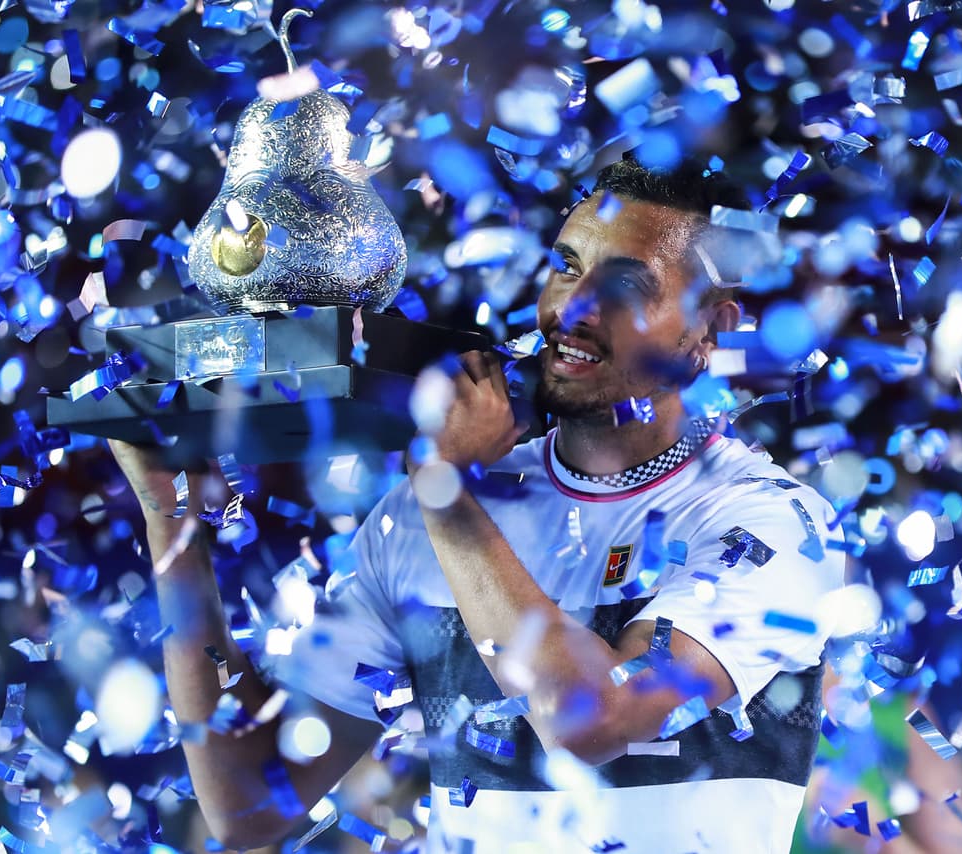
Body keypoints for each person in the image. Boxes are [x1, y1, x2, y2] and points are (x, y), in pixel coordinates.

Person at [110, 154, 846, 853]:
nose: (573, 308)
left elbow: (589, 721)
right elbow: (246, 809)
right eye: (565, 267)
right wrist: (168, 516)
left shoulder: (772, 524)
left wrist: (449, 490)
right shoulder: (420, 512)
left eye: (626, 285)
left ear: (716, 327)